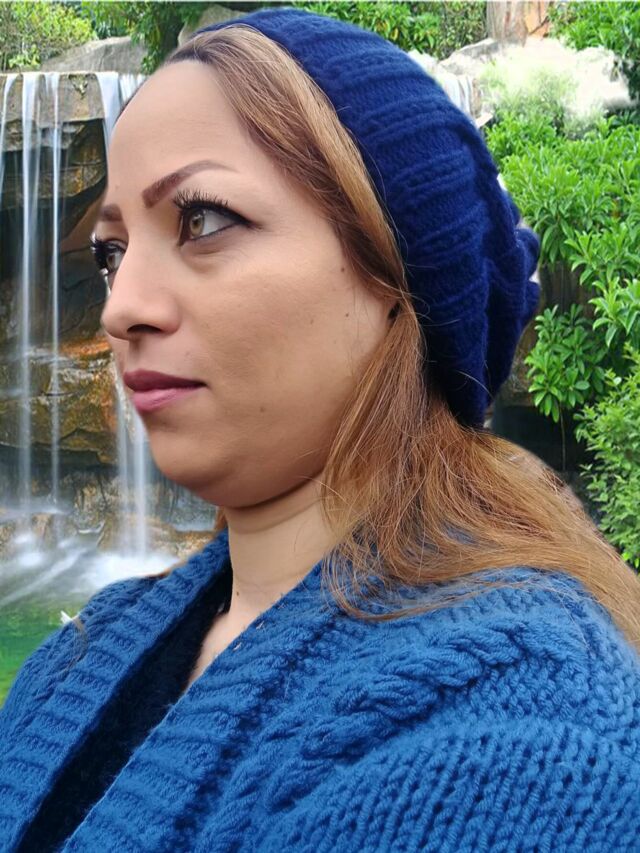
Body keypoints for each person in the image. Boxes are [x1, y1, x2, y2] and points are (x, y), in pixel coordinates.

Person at [1, 7, 639, 851]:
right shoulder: (85, 650)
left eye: (202, 220)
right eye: (111, 252)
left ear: (396, 278)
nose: (120, 309)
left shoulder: (525, 742)